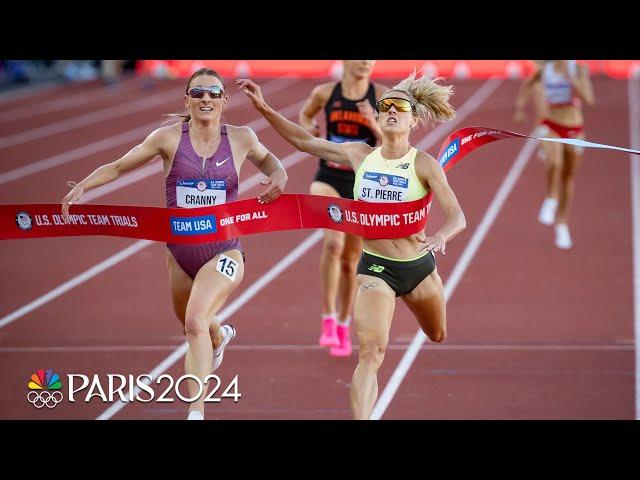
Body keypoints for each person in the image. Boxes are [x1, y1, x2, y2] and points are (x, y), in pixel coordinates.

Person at [61, 68, 288, 420]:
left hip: (224, 250)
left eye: (213, 93)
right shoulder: (167, 138)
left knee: (196, 320)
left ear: (224, 100)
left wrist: (280, 174)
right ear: (187, 99)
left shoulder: (241, 137)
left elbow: (270, 160)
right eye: (198, 93)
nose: (206, 99)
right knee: (192, 324)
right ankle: (219, 335)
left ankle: (195, 413)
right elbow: (120, 166)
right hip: (179, 253)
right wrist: (86, 186)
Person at [237, 72, 466, 420]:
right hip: (375, 268)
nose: (390, 110)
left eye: (399, 107)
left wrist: (440, 237)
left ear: (412, 118)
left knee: (437, 334)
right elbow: (303, 141)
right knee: (371, 353)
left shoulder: (423, 164)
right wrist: (264, 107)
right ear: (375, 115)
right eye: (385, 105)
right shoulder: (360, 155)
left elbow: (457, 217)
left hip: (418, 268)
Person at [298, 60, 388, 357]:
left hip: (363, 183)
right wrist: (307, 125)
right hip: (328, 178)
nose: (365, 63)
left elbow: (395, 142)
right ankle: (326, 318)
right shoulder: (326, 93)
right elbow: (306, 113)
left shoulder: (382, 96)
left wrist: (373, 121)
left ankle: (343, 323)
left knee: (351, 262)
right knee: (333, 243)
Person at [514, 60, 595, 249]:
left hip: (575, 127)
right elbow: (528, 84)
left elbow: (589, 100)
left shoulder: (579, 69)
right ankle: (551, 198)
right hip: (552, 125)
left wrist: (571, 78)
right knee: (555, 163)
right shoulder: (545, 69)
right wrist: (519, 107)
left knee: (568, 177)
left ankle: (562, 223)